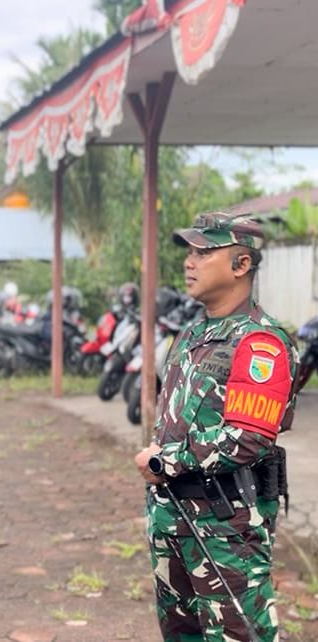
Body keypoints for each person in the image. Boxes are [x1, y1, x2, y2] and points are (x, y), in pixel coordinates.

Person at [134, 212, 298, 642]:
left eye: (204, 252)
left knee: (239, 635)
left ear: (241, 265)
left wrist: (165, 460)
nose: (190, 262)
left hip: (227, 527)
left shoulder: (260, 342)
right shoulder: (192, 336)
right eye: (189, 252)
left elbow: (248, 440)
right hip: (173, 516)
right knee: (182, 633)